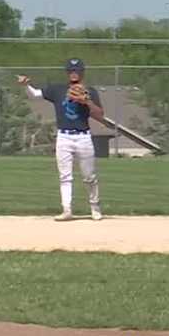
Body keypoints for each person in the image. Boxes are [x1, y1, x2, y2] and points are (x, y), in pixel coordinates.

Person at [16, 58, 105, 221]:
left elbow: (100, 115)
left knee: (89, 176)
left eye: (77, 70)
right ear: (67, 72)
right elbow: (35, 95)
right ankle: (67, 209)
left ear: (82, 72)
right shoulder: (57, 89)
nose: (74, 73)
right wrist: (25, 86)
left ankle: (95, 207)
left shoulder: (90, 91)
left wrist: (87, 102)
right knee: (65, 176)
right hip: (64, 137)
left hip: (83, 137)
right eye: (71, 70)